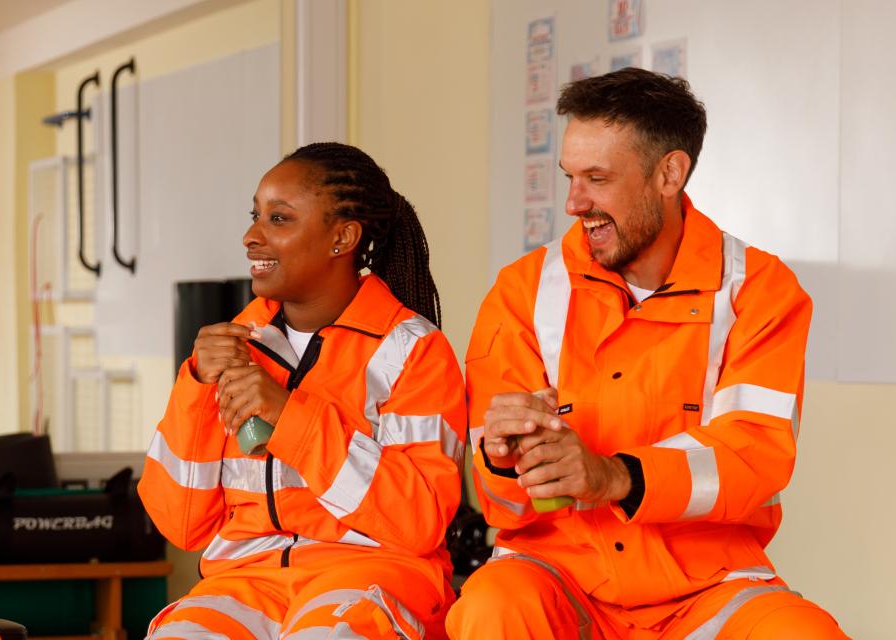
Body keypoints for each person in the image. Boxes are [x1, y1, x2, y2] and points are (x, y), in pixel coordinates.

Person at [446, 69, 846, 639]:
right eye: (569, 177)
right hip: (559, 576)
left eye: (597, 179)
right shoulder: (522, 292)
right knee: (490, 607)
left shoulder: (759, 291)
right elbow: (498, 505)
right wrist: (502, 461)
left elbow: (752, 457)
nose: (574, 202)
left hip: (708, 586)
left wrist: (614, 476)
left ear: (669, 174)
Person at [139, 142, 467, 639]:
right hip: (248, 579)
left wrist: (290, 415)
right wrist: (196, 387)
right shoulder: (236, 347)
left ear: (342, 237)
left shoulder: (411, 350)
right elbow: (181, 525)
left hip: (372, 574)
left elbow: (419, 521)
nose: (251, 237)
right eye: (255, 216)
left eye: (279, 219)